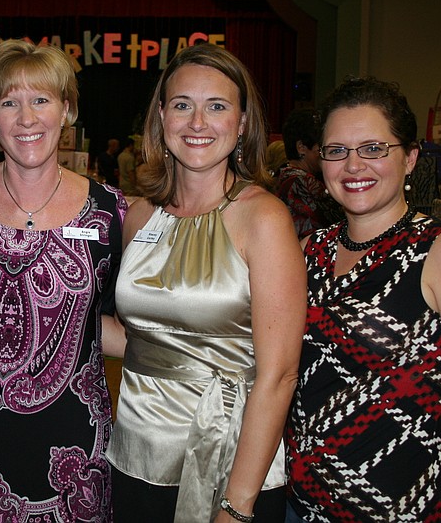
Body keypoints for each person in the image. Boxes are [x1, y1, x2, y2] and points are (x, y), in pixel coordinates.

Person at [286, 76, 441, 522]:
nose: (354, 166)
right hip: (300, 507)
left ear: (410, 158)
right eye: (337, 151)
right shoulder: (307, 251)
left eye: (374, 148)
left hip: (402, 512)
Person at [0, 39, 127, 522]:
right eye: (10, 102)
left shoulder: (113, 213)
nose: (27, 118)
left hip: (69, 451)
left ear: (67, 109)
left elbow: (122, 323)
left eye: (42, 99)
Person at [107, 43, 307, 522]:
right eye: (182, 105)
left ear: (241, 124)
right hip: (136, 453)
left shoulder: (263, 219)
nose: (198, 123)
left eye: (216, 106)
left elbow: (279, 375)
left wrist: (236, 507)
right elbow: (142, 337)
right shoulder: (139, 216)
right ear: (161, 117)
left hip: (230, 462)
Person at [275, 107, 343, 238]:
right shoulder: (302, 183)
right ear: (301, 148)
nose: (325, 154)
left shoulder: (282, 174)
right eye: (321, 148)